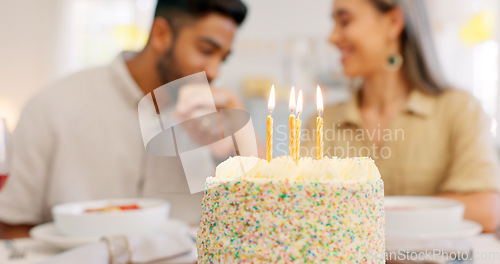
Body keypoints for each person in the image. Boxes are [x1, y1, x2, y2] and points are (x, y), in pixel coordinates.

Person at [0, 0, 248, 239]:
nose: (215, 72)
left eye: (223, 58)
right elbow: (11, 226)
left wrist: (238, 138)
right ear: (160, 34)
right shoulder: (54, 106)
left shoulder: (215, 119)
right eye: (206, 50)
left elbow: (256, 219)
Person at [305, 0, 500, 232]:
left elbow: (485, 209)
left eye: (345, 21)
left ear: (393, 22)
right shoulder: (323, 121)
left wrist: (357, 213)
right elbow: (299, 205)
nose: (333, 37)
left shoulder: (458, 109)